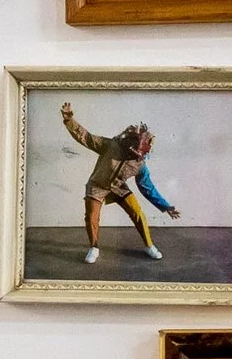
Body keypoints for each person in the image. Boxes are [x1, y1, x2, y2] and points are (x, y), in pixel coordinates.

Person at [59, 100, 179, 264]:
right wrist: (69, 120)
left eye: (146, 150)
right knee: (92, 216)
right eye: (142, 147)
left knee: (137, 212)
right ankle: (94, 247)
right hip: (97, 185)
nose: (142, 153)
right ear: (135, 142)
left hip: (119, 188)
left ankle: (149, 245)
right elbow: (86, 137)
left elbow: (147, 188)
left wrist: (166, 206)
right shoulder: (111, 146)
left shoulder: (140, 165)